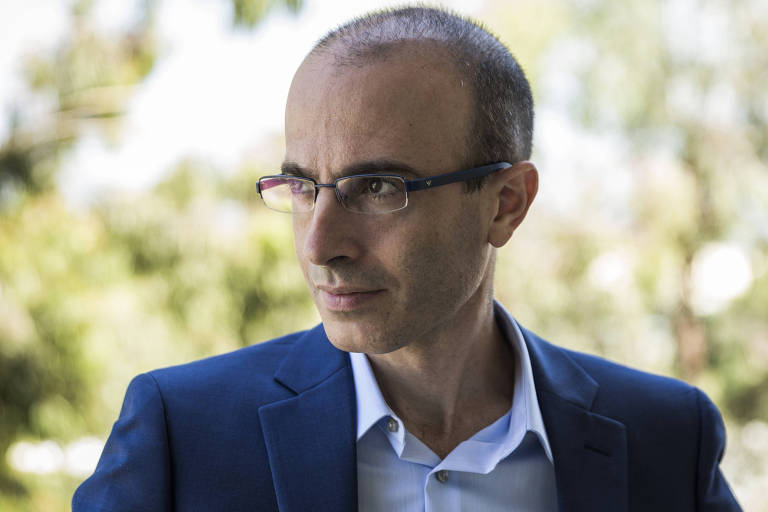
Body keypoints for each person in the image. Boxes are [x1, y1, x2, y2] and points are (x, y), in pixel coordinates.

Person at [73, 6, 741, 511]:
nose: (318, 246)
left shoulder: (666, 438)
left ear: (506, 202)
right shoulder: (182, 434)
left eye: (378, 188)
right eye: (303, 188)